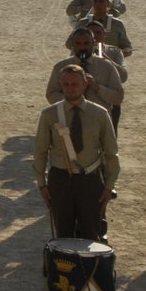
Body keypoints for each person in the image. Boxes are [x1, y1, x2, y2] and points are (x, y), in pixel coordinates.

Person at [33, 65, 118, 239]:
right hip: (60, 180)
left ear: (85, 84)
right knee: (63, 235)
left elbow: (111, 153)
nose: (70, 89)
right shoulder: (49, 114)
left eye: (75, 84)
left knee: (91, 234)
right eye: (65, 84)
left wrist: (109, 186)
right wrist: (42, 184)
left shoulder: (100, 114)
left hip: (90, 180)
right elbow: (40, 151)